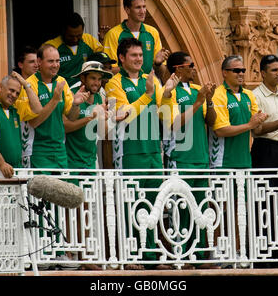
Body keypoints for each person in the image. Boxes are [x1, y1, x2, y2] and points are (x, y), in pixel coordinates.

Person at [105, 37, 170, 270]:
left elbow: (165, 111)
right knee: (130, 203)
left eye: (141, 55)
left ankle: (151, 255)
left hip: (153, 150)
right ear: (122, 58)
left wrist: (169, 92)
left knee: (153, 204)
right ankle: (131, 255)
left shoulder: (148, 79)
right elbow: (122, 113)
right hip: (129, 152)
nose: (139, 59)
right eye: (134, 55)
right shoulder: (114, 83)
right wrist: (147, 95)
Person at [160, 51, 217, 269]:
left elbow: (211, 122)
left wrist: (208, 101)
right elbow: (174, 123)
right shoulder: (169, 92)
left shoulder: (196, 90)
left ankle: (201, 254)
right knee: (180, 208)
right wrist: (198, 102)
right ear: (177, 69)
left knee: (201, 207)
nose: (194, 68)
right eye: (189, 65)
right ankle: (179, 254)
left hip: (201, 157)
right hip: (180, 158)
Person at [19, 43, 89, 170]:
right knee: (41, 190)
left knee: (62, 189)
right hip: (37, 150)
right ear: (39, 62)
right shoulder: (29, 85)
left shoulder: (61, 81)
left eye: (57, 61)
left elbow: (72, 117)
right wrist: (55, 100)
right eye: (51, 61)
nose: (55, 65)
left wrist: (75, 104)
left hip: (60, 150)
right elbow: (34, 122)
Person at [0, 72, 41, 178]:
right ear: (0, 87)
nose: (14, 95)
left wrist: (26, 84)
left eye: (17, 93)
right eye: (11, 90)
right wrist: (2, 164)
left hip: (14, 170)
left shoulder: (15, 108)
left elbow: (37, 109)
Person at [210, 55, 268, 169]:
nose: (241, 73)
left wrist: (260, 121)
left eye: (243, 70)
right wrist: (250, 125)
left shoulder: (248, 95)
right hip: (223, 161)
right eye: (236, 70)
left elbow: (256, 129)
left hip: (245, 161)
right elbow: (220, 131)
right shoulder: (217, 94)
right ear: (224, 73)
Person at [103, 0, 170, 80]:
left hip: (148, 86)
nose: (142, 11)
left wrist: (158, 64)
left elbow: (161, 74)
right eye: (138, 7)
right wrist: (132, 68)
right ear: (127, 10)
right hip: (123, 86)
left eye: (144, 7)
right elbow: (109, 71)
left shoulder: (153, 32)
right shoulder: (113, 34)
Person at [64, 61, 112, 171]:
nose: (97, 83)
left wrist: (102, 118)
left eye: (99, 79)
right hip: (71, 162)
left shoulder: (100, 98)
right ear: (82, 78)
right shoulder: (70, 94)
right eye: (93, 78)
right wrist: (91, 116)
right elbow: (65, 127)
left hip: (91, 162)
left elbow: (102, 133)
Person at [45, 12, 103, 87]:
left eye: (79, 35)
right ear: (63, 31)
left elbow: (102, 62)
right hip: (62, 90)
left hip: (86, 89)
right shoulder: (50, 47)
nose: (75, 39)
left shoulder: (89, 40)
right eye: (71, 36)